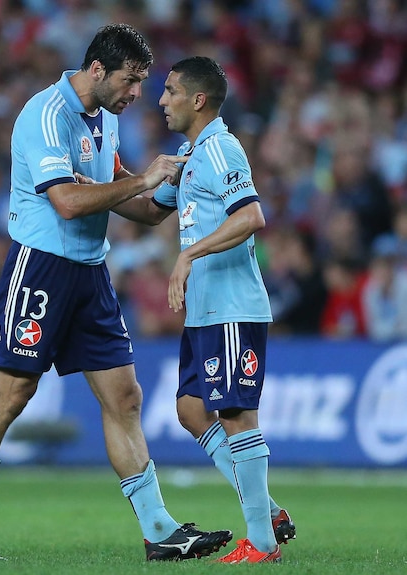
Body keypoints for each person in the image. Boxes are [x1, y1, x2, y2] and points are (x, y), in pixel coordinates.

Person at [0, 24, 233, 562]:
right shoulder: (46, 115)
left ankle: (159, 531)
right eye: (131, 79)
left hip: (91, 273)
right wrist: (144, 180)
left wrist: (177, 184)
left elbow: (130, 204)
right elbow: (70, 203)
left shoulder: (105, 120)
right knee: (11, 394)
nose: (137, 93)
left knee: (125, 398)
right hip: (41, 270)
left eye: (144, 82)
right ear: (97, 69)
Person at [112, 56, 296, 563]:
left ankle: (261, 542)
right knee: (192, 411)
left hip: (232, 305)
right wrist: (108, 183)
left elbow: (252, 215)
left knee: (237, 415)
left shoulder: (221, 149)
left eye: (169, 90)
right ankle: (270, 511)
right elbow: (150, 211)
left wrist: (188, 254)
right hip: (205, 312)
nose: (160, 99)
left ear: (197, 100)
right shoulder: (191, 154)